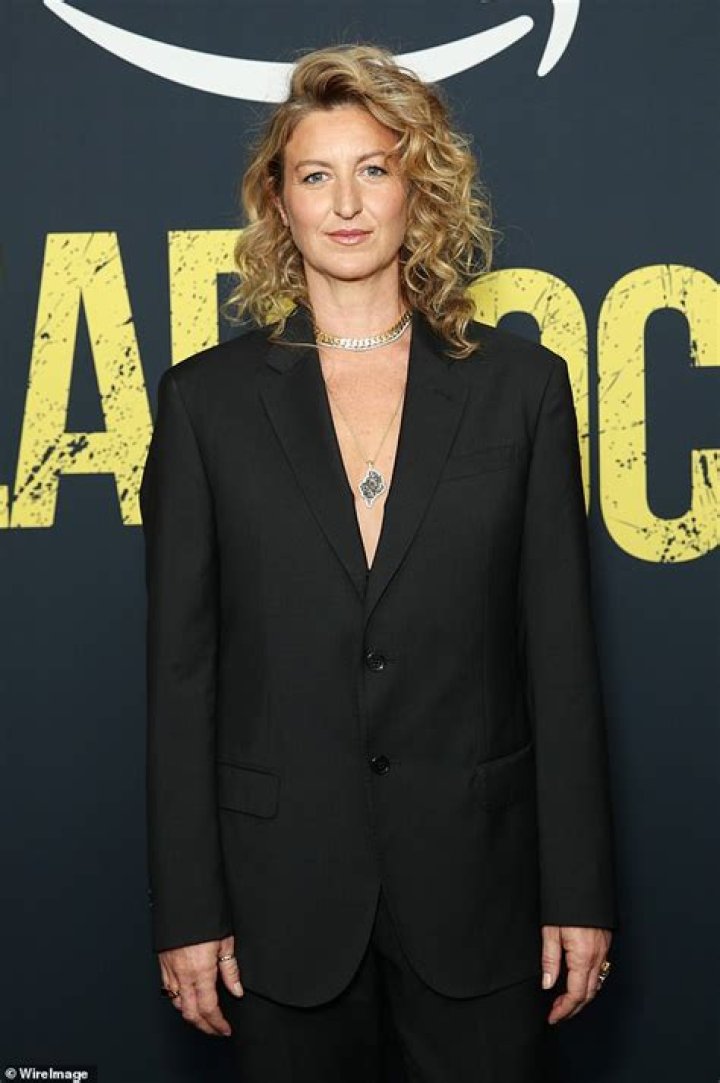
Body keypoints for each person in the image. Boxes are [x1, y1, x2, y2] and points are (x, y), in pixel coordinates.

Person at [139, 43, 618, 1083]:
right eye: (316, 174)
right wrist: (189, 908)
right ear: (279, 201)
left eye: (375, 169)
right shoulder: (204, 404)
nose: (347, 203)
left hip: (482, 893)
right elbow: (182, 678)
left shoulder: (521, 389)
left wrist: (578, 889)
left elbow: (561, 659)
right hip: (279, 901)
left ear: (419, 189)